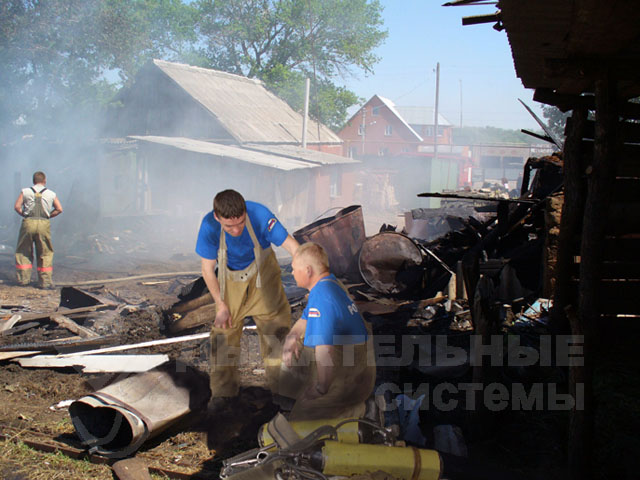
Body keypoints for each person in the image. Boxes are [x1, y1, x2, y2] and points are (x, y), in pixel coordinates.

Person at [195, 189, 299, 407]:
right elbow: (207, 269)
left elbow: (292, 246)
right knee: (224, 334)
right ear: (217, 217)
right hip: (231, 280)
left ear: (245, 213)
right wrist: (220, 304)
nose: (235, 230)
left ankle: (284, 394)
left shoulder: (260, 215)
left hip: (264, 276)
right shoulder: (208, 226)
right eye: (229, 226)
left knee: (276, 331)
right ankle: (223, 395)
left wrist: (311, 274)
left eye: (240, 223)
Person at [281, 242, 376, 421]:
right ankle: (352, 406)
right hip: (361, 371)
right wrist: (291, 338)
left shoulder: (322, 297)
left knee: (299, 425)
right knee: (300, 340)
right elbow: (304, 320)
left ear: (308, 270)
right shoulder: (331, 283)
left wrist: (320, 390)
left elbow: (325, 350)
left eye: (294, 269)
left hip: (351, 380)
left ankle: (354, 413)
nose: (292, 273)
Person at [14, 171, 63, 288]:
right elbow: (59, 209)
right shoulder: (51, 193)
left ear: (33, 181)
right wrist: (48, 216)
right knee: (45, 252)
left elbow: (16, 206)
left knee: (24, 250)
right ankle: (45, 282)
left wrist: (25, 215)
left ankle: (23, 280)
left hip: (28, 222)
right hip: (44, 223)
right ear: (44, 181)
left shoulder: (25, 191)